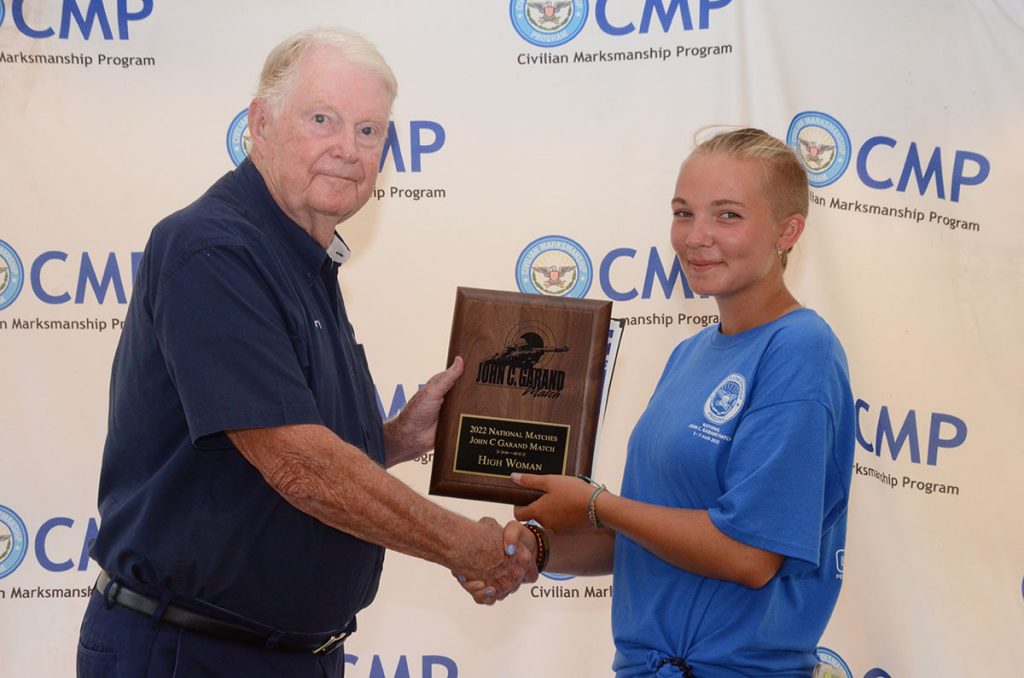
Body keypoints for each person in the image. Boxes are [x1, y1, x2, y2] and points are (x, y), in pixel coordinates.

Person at [77, 27, 533, 678]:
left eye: (370, 131)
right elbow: (299, 467)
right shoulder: (213, 250)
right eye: (323, 120)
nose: (348, 150)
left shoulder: (304, 258)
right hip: (192, 653)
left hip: (289, 654)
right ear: (260, 124)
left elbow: (270, 455)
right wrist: (463, 544)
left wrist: (399, 437)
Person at [467, 128, 856, 677]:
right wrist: (538, 550)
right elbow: (646, 540)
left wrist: (596, 503)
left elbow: (750, 556)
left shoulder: (800, 348)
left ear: (788, 231)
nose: (696, 236)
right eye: (682, 212)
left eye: (727, 215)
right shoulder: (690, 354)